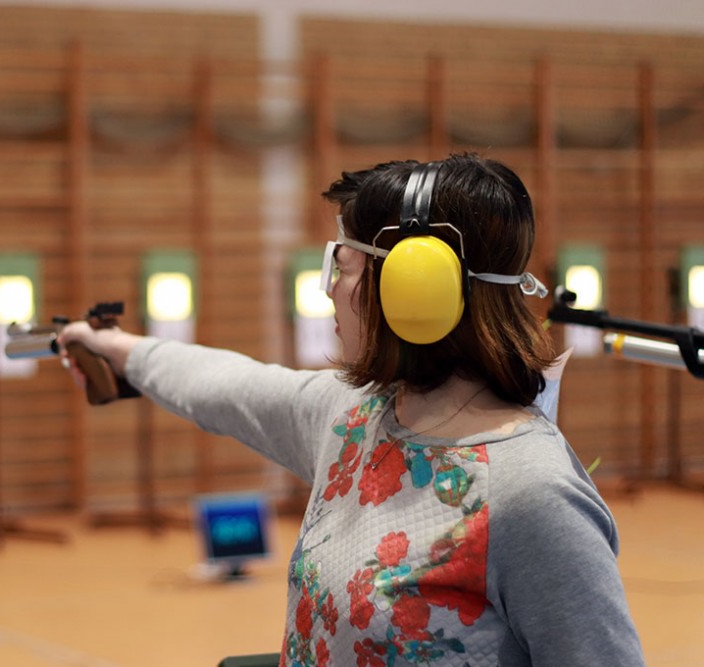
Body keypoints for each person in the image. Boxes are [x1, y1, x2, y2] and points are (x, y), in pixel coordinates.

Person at [56, 153, 645, 666]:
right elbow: (231, 388)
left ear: (412, 288)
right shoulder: (357, 418)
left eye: (342, 265)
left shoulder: (533, 494)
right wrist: (120, 349)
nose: (330, 288)